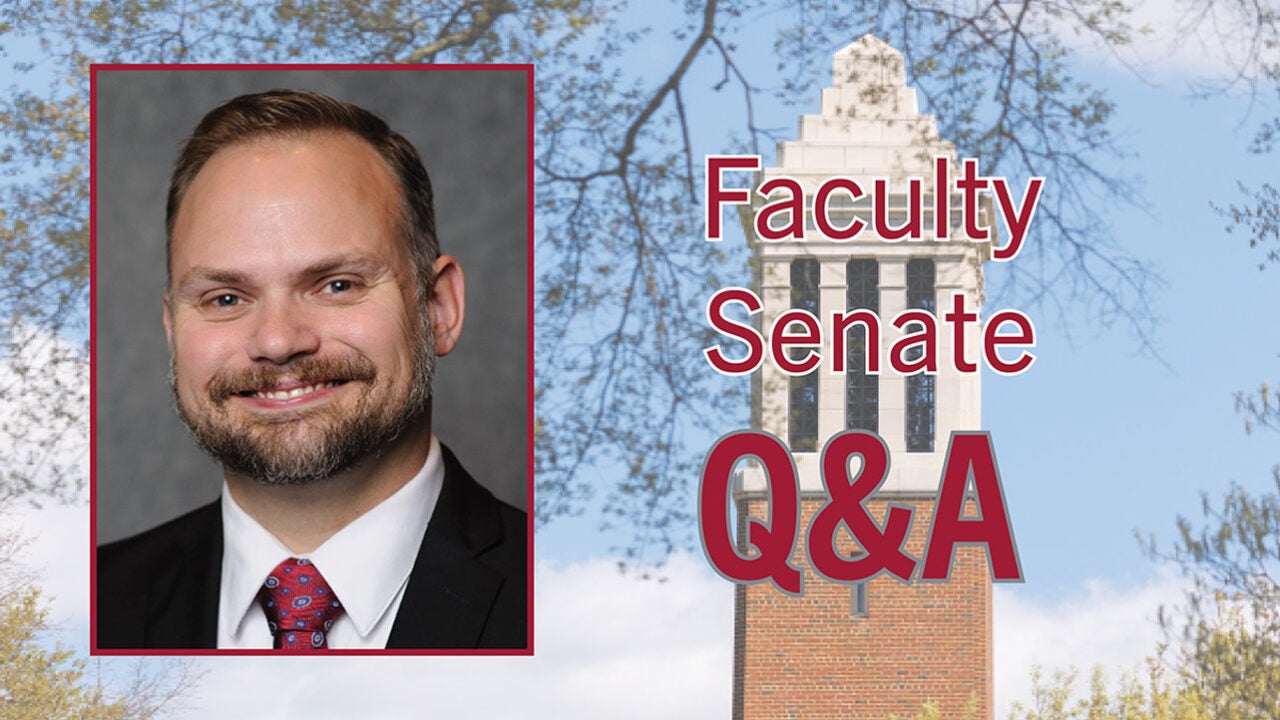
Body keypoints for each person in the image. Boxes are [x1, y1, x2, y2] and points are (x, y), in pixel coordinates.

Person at [96, 89, 527, 651]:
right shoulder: (86, 604)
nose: (277, 342)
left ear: (438, 308)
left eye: (337, 285)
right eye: (225, 298)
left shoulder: (569, 601)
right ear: (174, 330)